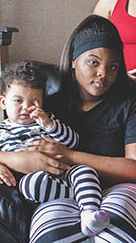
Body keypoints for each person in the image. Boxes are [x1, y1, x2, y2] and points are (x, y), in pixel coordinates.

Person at [15, 15, 136, 243]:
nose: (104, 73)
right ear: (73, 60)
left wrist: (69, 155)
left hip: (119, 188)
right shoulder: (51, 106)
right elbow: (14, 140)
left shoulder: (134, 106)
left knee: (113, 232)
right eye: (94, 62)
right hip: (63, 189)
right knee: (50, 234)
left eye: (113, 67)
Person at [0, 61, 111, 236]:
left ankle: (90, 214)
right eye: (18, 100)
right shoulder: (1, 130)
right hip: (30, 179)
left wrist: (49, 124)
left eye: (34, 102)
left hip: (63, 170)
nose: (26, 108)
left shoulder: (47, 121)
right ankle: (81, 197)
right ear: (3, 102)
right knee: (35, 184)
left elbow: (73, 141)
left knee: (85, 171)